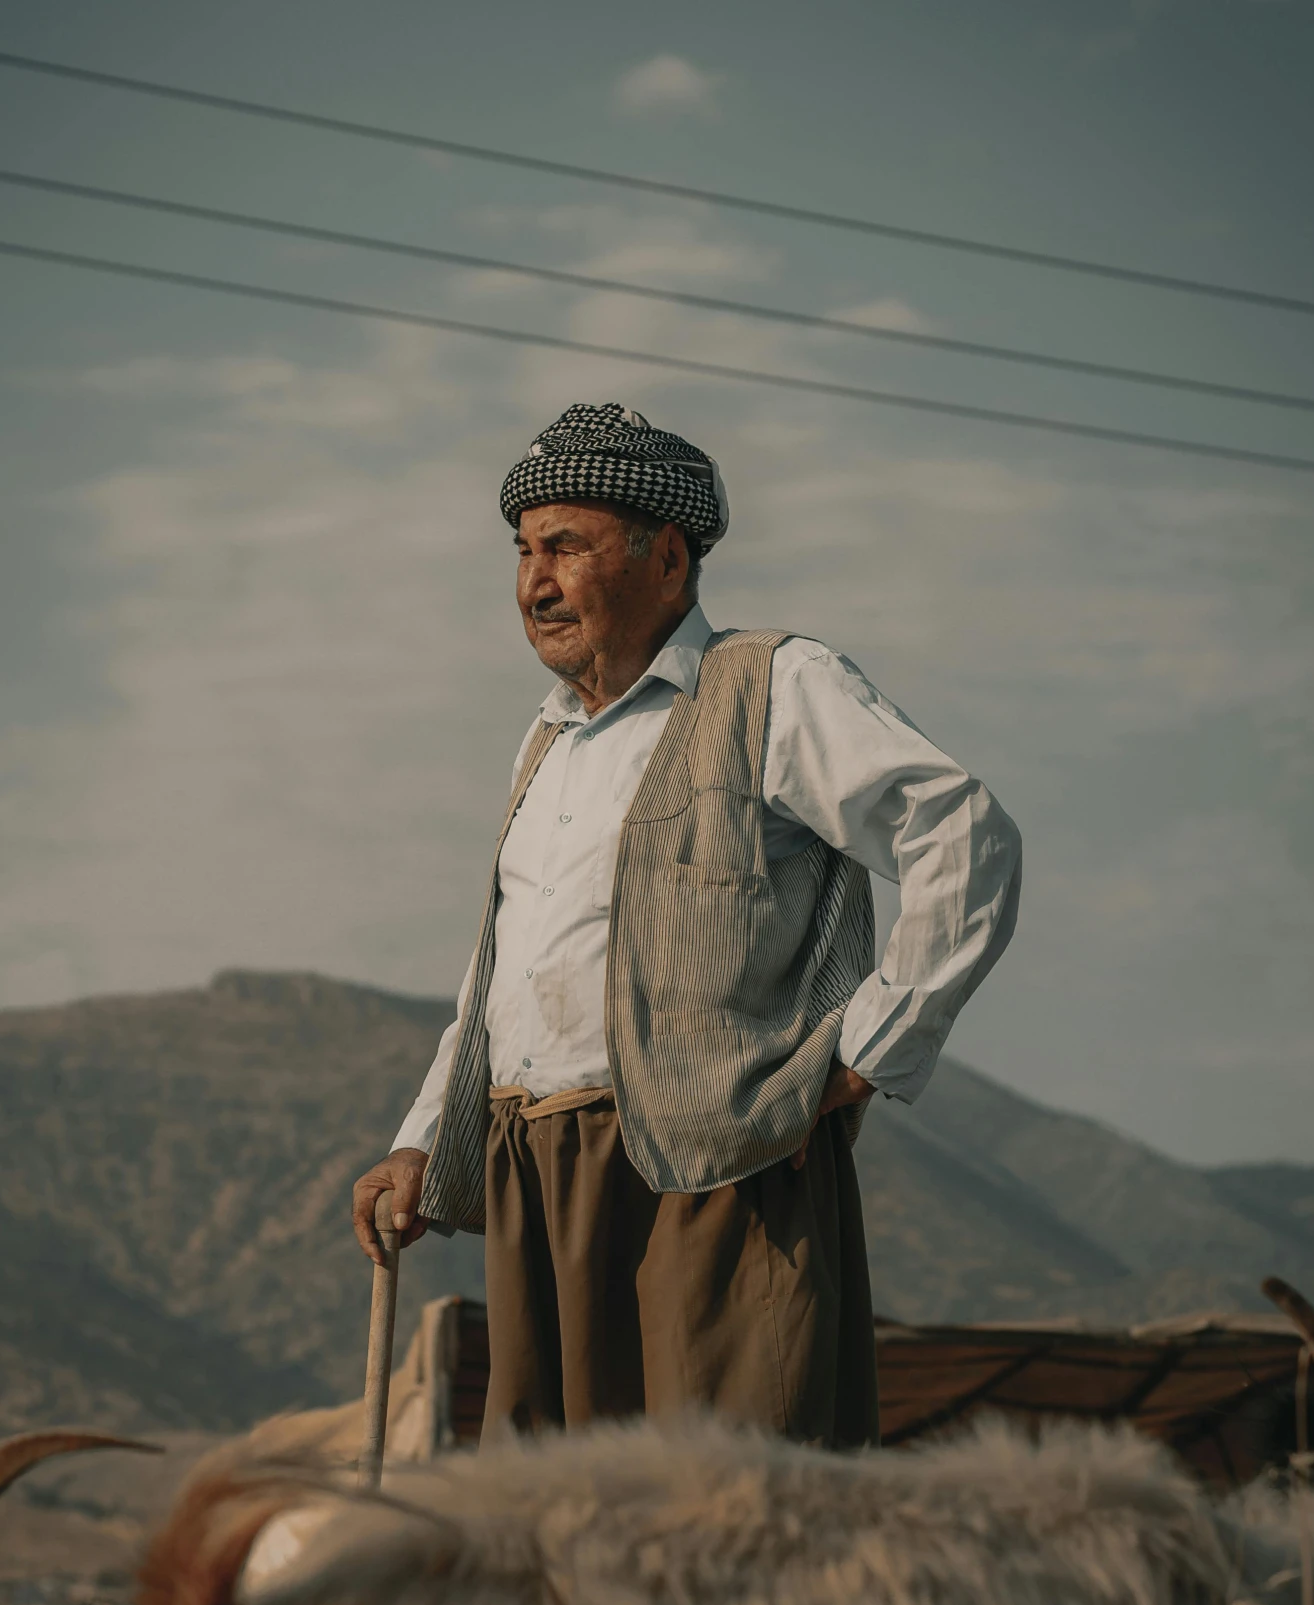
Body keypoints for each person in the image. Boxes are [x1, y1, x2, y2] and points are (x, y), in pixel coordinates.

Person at [352, 402, 1020, 1445]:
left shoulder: (774, 684)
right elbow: (505, 977)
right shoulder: (545, 746)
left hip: (718, 1174)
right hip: (538, 1176)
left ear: (666, 559)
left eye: (566, 546)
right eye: (524, 551)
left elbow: (964, 835)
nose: (534, 580)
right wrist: (425, 1141)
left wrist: (869, 1049)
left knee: (725, 1523)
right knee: (556, 1531)